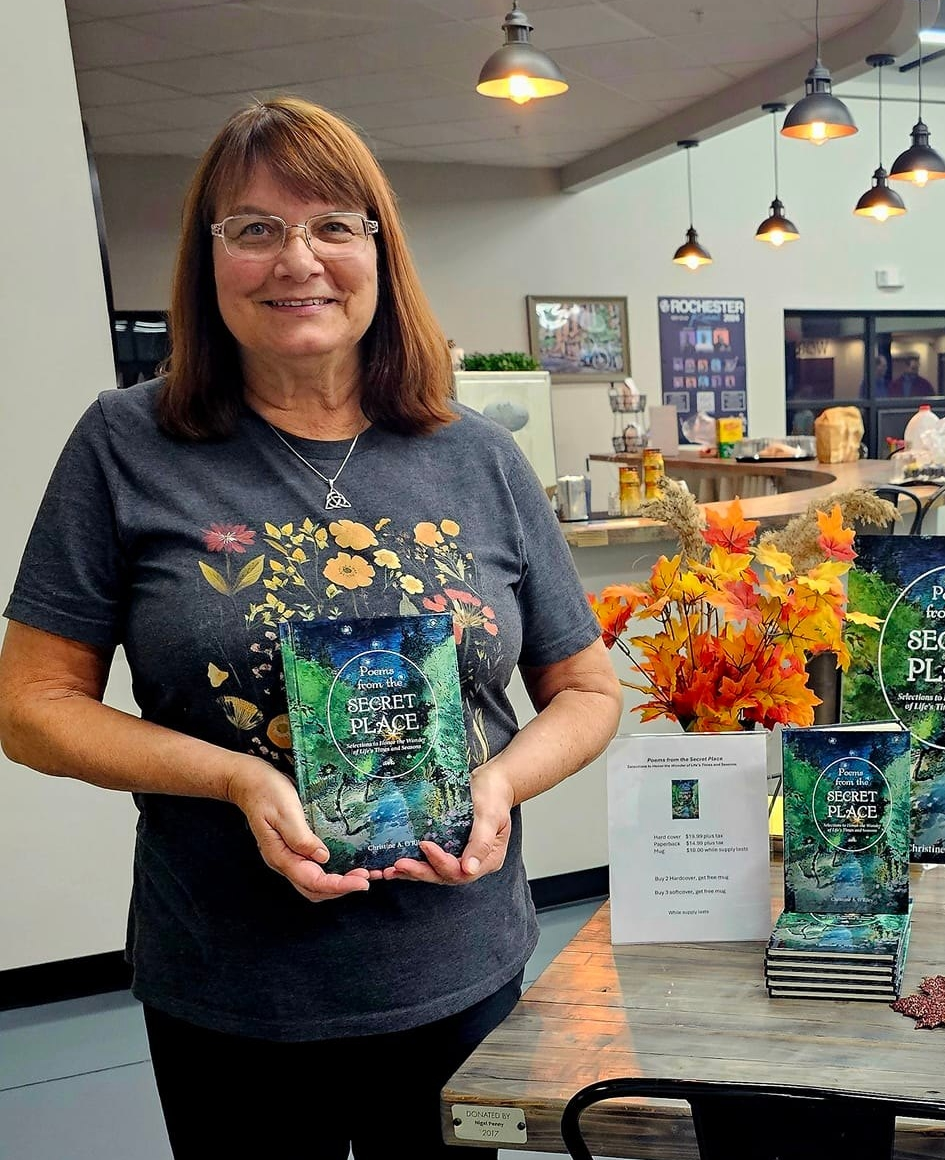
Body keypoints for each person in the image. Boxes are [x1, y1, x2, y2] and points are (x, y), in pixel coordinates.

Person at [0, 98, 621, 1159]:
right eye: (254, 228)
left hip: (457, 965)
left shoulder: (475, 455)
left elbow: (589, 689)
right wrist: (237, 776)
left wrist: (501, 782)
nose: (299, 259)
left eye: (334, 223)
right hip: (231, 980)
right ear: (209, 261)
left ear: (380, 248)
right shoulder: (125, 443)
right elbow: (30, 706)